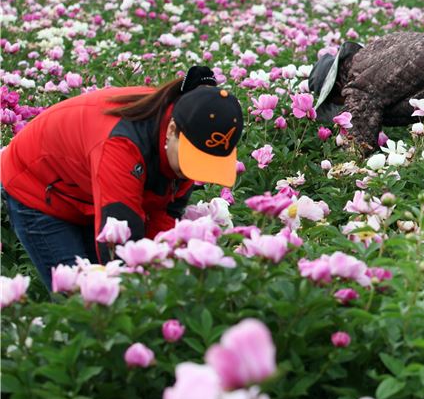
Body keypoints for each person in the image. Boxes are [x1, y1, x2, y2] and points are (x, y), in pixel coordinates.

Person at [1, 66, 244, 290]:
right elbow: (120, 246)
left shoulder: (191, 131)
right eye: (194, 158)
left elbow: (166, 216)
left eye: (208, 162)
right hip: (39, 187)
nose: (196, 172)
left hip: (86, 186)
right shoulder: (122, 145)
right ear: (171, 131)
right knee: (81, 297)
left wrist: (163, 268)